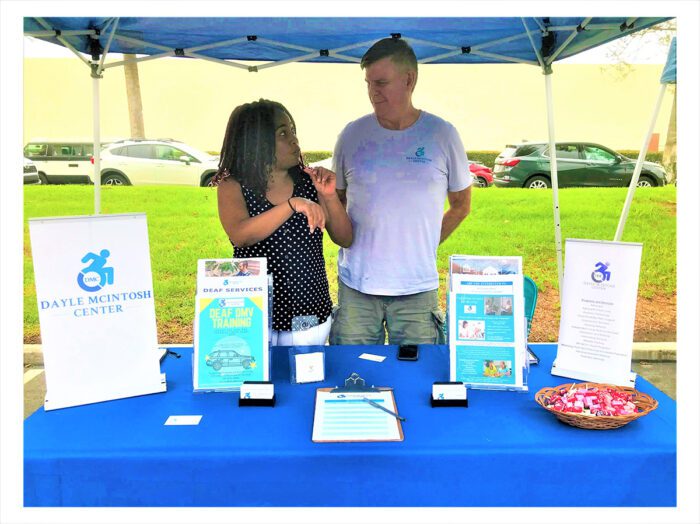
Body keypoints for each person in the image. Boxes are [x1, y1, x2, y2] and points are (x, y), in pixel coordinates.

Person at [330, 37, 472, 346]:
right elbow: (336, 202)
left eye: (381, 82)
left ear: (409, 79)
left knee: (418, 382)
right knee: (352, 379)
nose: (373, 92)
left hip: (417, 291)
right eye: (368, 84)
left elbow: (461, 204)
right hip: (357, 288)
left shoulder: (441, 134)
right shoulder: (352, 135)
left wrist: (425, 243)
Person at [214, 99, 352, 346]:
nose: (294, 140)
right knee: (260, 383)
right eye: (282, 133)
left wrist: (329, 196)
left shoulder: (310, 181)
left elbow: (344, 238)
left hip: (307, 310)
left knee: (303, 380)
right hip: (253, 313)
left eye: (293, 131)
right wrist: (291, 205)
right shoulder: (233, 185)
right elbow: (240, 235)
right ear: (255, 140)